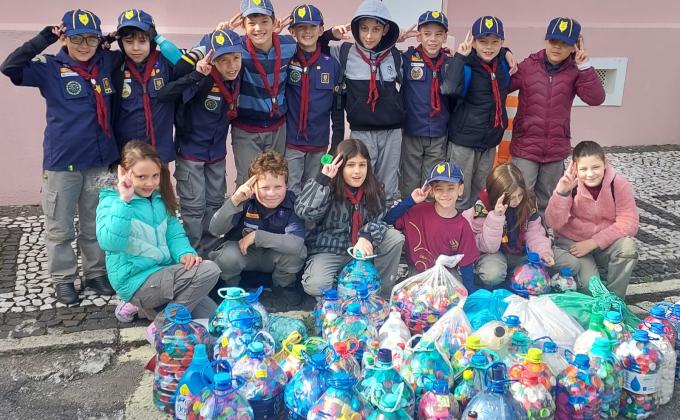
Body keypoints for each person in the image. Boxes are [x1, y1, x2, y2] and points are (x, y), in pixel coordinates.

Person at [1, 9, 119, 304]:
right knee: (60, 227)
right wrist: (45, 38)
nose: (84, 45)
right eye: (76, 38)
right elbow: (10, 67)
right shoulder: (50, 67)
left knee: (95, 224)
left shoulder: (106, 63)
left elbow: (135, 51)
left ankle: (95, 273)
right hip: (63, 163)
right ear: (64, 38)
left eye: (90, 39)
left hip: (99, 161)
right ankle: (64, 279)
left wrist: (113, 38)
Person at [96, 141, 219, 328]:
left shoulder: (159, 198)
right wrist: (124, 201)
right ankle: (163, 326)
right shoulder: (112, 200)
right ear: (124, 172)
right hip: (136, 281)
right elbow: (110, 244)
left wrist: (185, 253)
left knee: (212, 316)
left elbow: (174, 235)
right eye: (141, 177)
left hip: (163, 275)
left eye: (155, 175)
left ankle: (143, 309)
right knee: (209, 270)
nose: (150, 183)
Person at [157, 29, 242, 256]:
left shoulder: (237, 78)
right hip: (191, 154)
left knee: (215, 203)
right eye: (223, 60)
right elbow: (165, 94)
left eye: (236, 58)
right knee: (194, 208)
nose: (231, 65)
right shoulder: (200, 78)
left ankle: (211, 252)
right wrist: (196, 74)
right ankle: (193, 254)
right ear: (212, 61)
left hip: (217, 154)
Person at [509, 17, 605, 215]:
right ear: (546, 40)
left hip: (555, 147)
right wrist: (504, 52)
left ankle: (542, 232)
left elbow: (596, 98)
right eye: (553, 41)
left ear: (575, 46)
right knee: (520, 197)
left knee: (547, 199)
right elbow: (501, 86)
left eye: (564, 43)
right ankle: (518, 233)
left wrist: (585, 67)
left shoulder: (575, 71)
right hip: (526, 145)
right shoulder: (529, 66)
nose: (557, 47)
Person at [295, 138, 404, 298]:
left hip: (363, 249)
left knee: (394, 238)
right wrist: (323, 179)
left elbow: (381, 220)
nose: (357, 171)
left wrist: (366, 236)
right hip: (330, 250)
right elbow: (303, 211)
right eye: (351, 165)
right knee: (316, 285)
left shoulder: (374, 188)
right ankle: (341, 293)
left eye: (362, 165)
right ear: (340, 166)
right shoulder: (327, 187)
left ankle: (379, 293)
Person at [327, 0, 405, 203]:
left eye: (376, 29)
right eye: (364, 29)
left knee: (388, 188)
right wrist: (330, 34)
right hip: (361, 132)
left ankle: (385, 221)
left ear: (385, 30)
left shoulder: (395, 56)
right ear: (356, 28)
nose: (369, 36)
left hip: (391, 133)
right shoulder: (344, 52)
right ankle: (360, 221)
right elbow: (313, 48)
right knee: (359, 184)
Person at [209, 150, 306, 305]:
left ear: (286, 185)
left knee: (297, 253)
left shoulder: (293, 202)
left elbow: (296, 244)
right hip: (245, 254)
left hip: (273, 257)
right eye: (265, 187)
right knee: (226, 256)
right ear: (253, 186)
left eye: (278, 186)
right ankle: (231, 288)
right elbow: (215, 229)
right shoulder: (244, 200)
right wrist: (234, 201)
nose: (272, 193)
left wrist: (257, 236)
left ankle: (283, 286)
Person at [546, 141, 639, 299]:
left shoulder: (618, 184)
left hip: (604, 243)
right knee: (592, 290)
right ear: (575, 167)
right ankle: (594, 287)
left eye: (595, 167)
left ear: (605, 163)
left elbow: (629, 223)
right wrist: (561, 193)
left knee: (628, 248)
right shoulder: (570, 185)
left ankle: (615, 300)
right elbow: (553, 223)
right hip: (574, 244)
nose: (590, 174)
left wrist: (594, 242)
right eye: (583, 169)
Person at [441, 16, 513, 210]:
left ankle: (475, 225)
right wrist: (460, 57)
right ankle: (455, 225)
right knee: (459, 191)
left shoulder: (502, 64)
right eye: (483, 41)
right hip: (463, 141)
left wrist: (506, 52)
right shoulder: (465, 64)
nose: (488, 47)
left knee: (480, 192)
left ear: (502, 42)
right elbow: (448, 88)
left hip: (489, 141)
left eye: (495, 42)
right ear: (473, 42)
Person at [112, 8, 195, 164]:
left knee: (160, 181)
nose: (135, 48)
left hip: (159, 152)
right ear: (121, 43)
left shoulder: (165, 61)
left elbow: (187, 66)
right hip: (126, 154)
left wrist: (158, 38)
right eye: (128, 42)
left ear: (151, 40)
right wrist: (106, 40)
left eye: (142, 41)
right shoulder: (116, 64)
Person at [385, 161, 480, 292]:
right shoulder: (418, 211)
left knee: (455, 295)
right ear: (432, 191)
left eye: (451, 188)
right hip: (418, 272)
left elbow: (466, 263)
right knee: (416, 299)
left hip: (446, 273)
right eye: (439, 189)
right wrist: (411, 201)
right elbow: (388, 220)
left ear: (460, 189)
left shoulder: (462, 225)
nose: (445, 194)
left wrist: (469, 293)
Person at [463, 163, 554, 288]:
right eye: (511, 197)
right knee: (493, 274)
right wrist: (496, 217)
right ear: (497, 194)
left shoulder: (528, 202)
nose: (517, 201)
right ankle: (510, 276)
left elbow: (535, 234)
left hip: (520, 252)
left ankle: (516, 275)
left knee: (560, 262)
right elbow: (488, 247)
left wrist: (543, 253)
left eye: (520, 195)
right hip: (492, 254)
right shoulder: (482, 206)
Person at [284, 4, 341, 195]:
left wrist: (336, 143)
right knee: (290, 190)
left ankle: (309, 218)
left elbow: (336, 107)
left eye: (312, 26)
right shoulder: (286, 60)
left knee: (314, 190)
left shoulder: (331, 65)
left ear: (321, 30)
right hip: (290, 141)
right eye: (301, 27)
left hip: (319, 142)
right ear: (292, 31)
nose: (307, 31)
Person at [398, 11, 452, 198]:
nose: (433, 39)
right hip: (412, 131)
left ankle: (427, 213)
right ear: (419, 36)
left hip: (438, 132)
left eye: (438, 34)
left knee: (432, 183)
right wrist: (396, 39)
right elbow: (382, 55)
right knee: (409, 182)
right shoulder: (407, 58)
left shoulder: (450, 62)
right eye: (427, 34)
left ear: (445, 36)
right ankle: (408, 212)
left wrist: (506, 51)